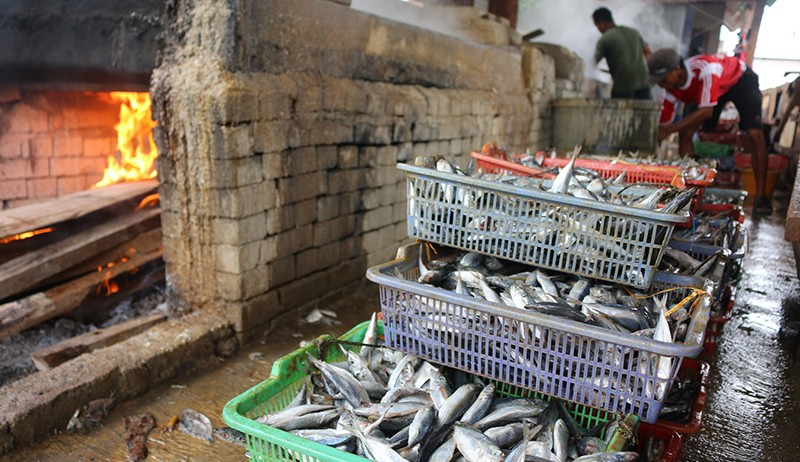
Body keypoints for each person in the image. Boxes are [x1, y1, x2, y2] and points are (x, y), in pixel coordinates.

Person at [648, 48, 773, 214]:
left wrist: (669, 130)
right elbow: (663, 127)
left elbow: (706, 111)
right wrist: (659, 137)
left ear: (676, 70)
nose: (660, 84)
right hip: (711, 91)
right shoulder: (671, 89)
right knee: (685, 132)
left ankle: (761, 197)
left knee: (755, 135)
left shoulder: (706, 68)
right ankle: (688, 190)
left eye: (662, 79)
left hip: (740, 80)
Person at [592, 7, 652, 99]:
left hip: (623, 86)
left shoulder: (605, 39)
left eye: (597, 26)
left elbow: (593, 62)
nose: (598, 29)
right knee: (645, 107)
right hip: (644, 83)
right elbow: (648, 52)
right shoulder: (634, 32)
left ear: (602, 23)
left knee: (619, 107)